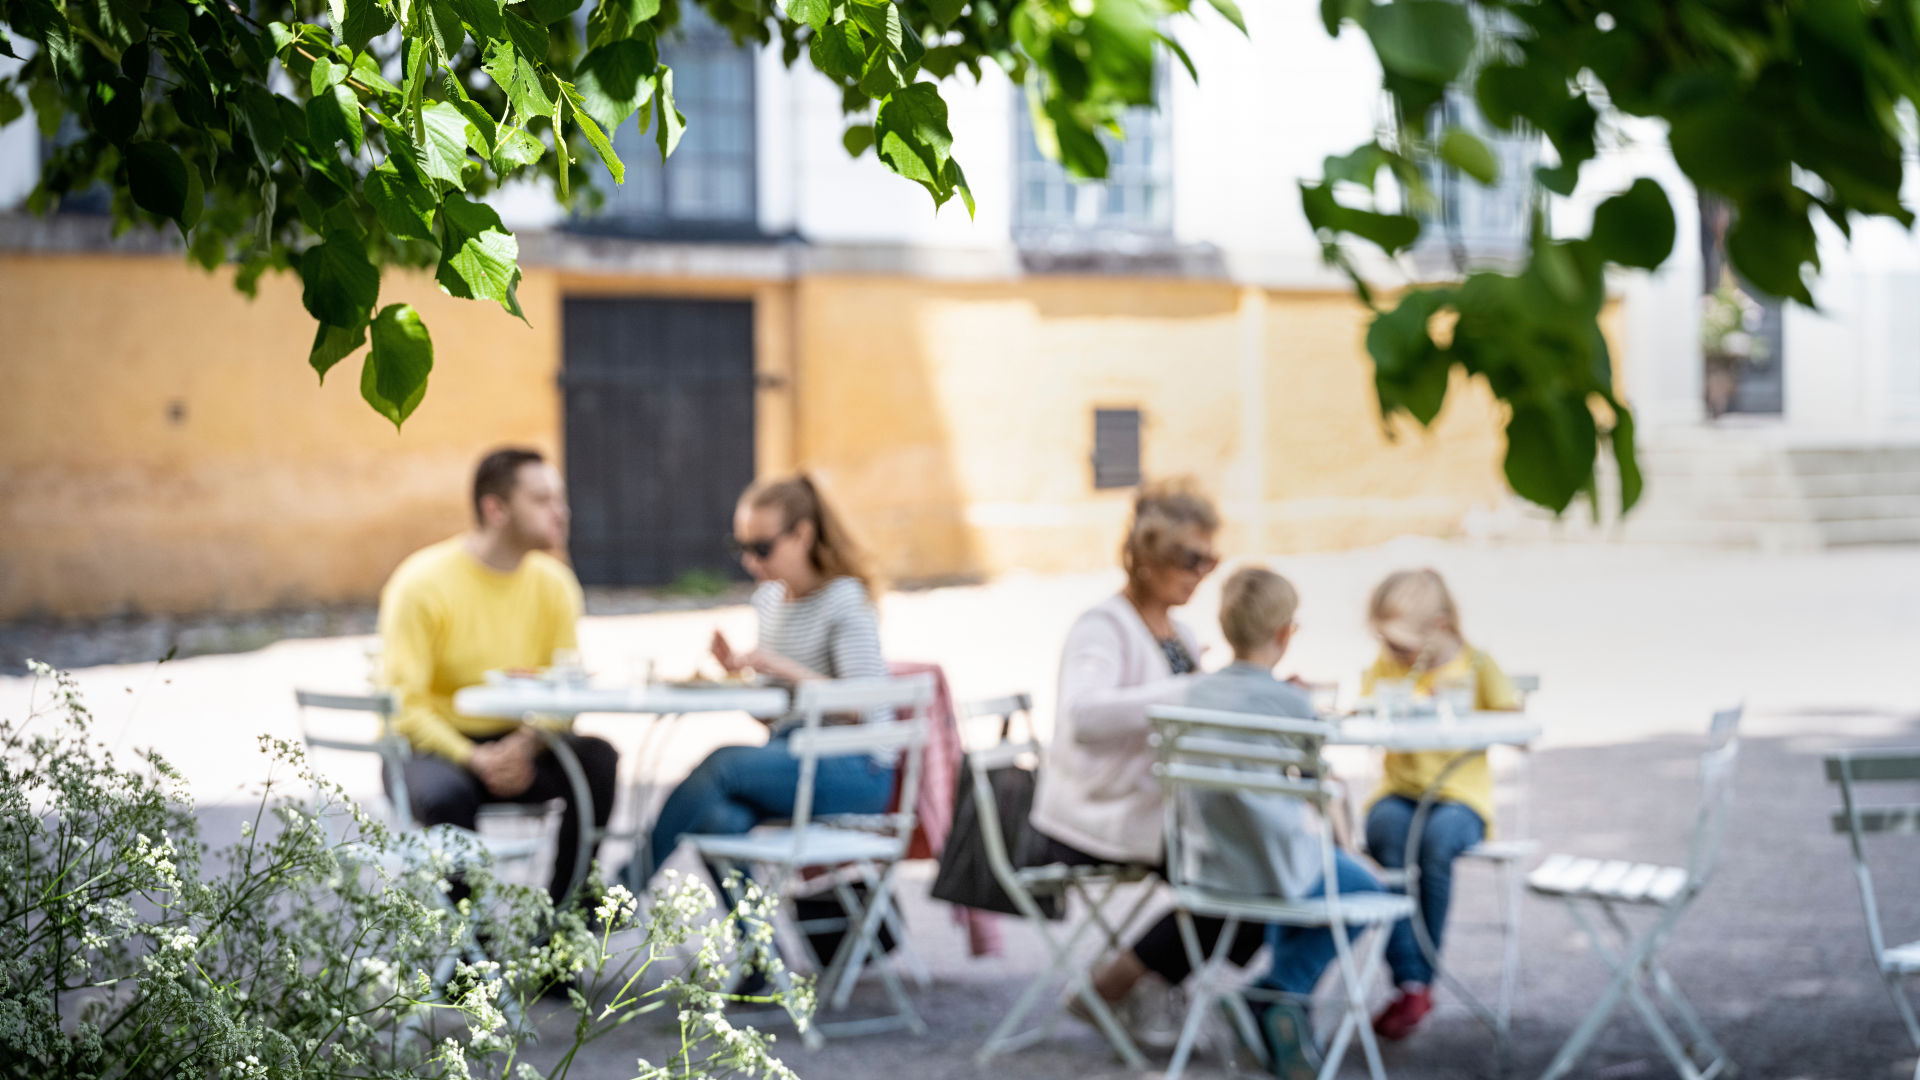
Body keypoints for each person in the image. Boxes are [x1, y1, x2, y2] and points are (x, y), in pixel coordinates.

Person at [1027, 479, 1248, 1041]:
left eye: (1210, 560)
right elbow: (1084, 715)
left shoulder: (1184, 631)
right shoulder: (1103, 626)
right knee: (1248, 872)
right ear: (1146, 559)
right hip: (1100, 812)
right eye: (1188, 559)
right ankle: (1125, 984)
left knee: (1271, 861)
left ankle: (1131, 980)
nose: (1201, 572)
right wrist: (1191, 693)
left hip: (1166, 809)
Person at [377, 447, 619, 908]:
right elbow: (404, 707)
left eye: (559, 498)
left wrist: (527, 744)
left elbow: (564, 693)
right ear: (496, 509)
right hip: (433, 748)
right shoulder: (422, 583)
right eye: (542, 499)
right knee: (445, 796)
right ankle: (472, 964)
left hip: (519, 742)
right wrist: (473, 758)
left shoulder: (555, 584)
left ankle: (562, 932)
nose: (560, 511)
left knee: (598, 761)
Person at [1174, 566, 1385, 1079]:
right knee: (1362, 890)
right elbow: (1319, 783)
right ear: (1286, 633)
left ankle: (1282, 1010)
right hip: (1277, 869)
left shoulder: (1193, 695)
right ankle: (1277, 993)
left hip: (1210, 870)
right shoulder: (1290, 703)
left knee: (1305, 878)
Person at [641, 472, 893, 884]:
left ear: (802, 535)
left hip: (857, 769)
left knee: (723, 764)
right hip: (793, 756)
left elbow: (862, 705)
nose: (749, 561)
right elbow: (778, 718)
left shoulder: (844, 598)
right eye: (740, 547)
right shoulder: (770, 601)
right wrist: (740, 678)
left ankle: (621, 887)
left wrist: (779, 666)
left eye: (762, 548)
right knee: (718, 822)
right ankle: (759, 948)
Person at [1360, 568, 1521, 1041]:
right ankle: (1409, 978)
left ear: (1441, 625)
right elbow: (1368, 714)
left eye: (1403, 646)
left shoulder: (1475, 665)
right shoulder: (1387, 669)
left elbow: (1515, 721)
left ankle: (1421, 975)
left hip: (1459, 796)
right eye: (1386, 644)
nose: (1394, 654)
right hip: (1401, 789)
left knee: (1435, 845)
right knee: (1385, 833)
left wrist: (1477, 721)